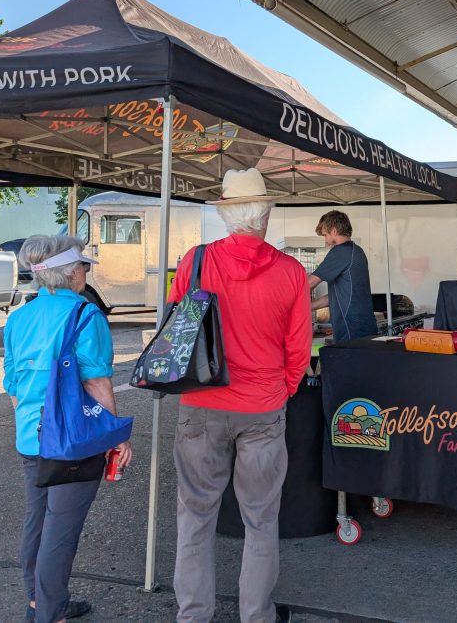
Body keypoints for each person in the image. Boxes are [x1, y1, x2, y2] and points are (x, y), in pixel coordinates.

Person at [170, 168, 312, 623]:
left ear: (227, 215)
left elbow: (176, 332)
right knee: (261, 519)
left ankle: (193, 616)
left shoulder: (195, 261)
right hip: (263, 407)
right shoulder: (291, 271)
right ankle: (257, 615)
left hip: (201, 404)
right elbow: (299, 347)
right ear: (265, 215)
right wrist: (281, 392)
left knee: (195, 518)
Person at [4, 235, 132, 623]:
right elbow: (96, 382)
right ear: (71, 272)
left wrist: (31, 423)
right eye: (83, 266)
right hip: (73, 440)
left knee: (38, 518)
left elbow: (12, 385)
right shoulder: (85, 315)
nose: (85, 272)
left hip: (31, 435)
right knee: (61, 528)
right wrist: (116, 436)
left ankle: (38, 600)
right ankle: (50, 612)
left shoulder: (19, 316)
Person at [308, 210, 378, 343]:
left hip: (351, 329)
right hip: (361, 328)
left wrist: (285, 304)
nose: (326, 240)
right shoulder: (356, 251)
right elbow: (335, 297)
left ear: (334, 231)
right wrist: (307, 307)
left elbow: (309, 283)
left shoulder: (341, 252)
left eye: (325, 235)